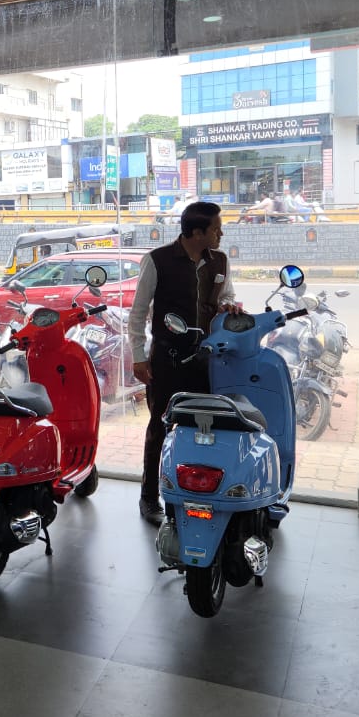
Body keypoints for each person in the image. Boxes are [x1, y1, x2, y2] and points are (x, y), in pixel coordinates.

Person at [128, 201, 240, 525]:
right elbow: (138, 312)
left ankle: (197, 493)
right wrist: (138, 356)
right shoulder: (157, 260)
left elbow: (226, 295)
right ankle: (149, 497)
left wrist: (229, 306)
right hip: (167, 359)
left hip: (206, 359)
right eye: (216, 229)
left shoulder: (219, 260)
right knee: (160, 427)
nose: (221, 234)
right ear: (197, 232)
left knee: (204, 427)